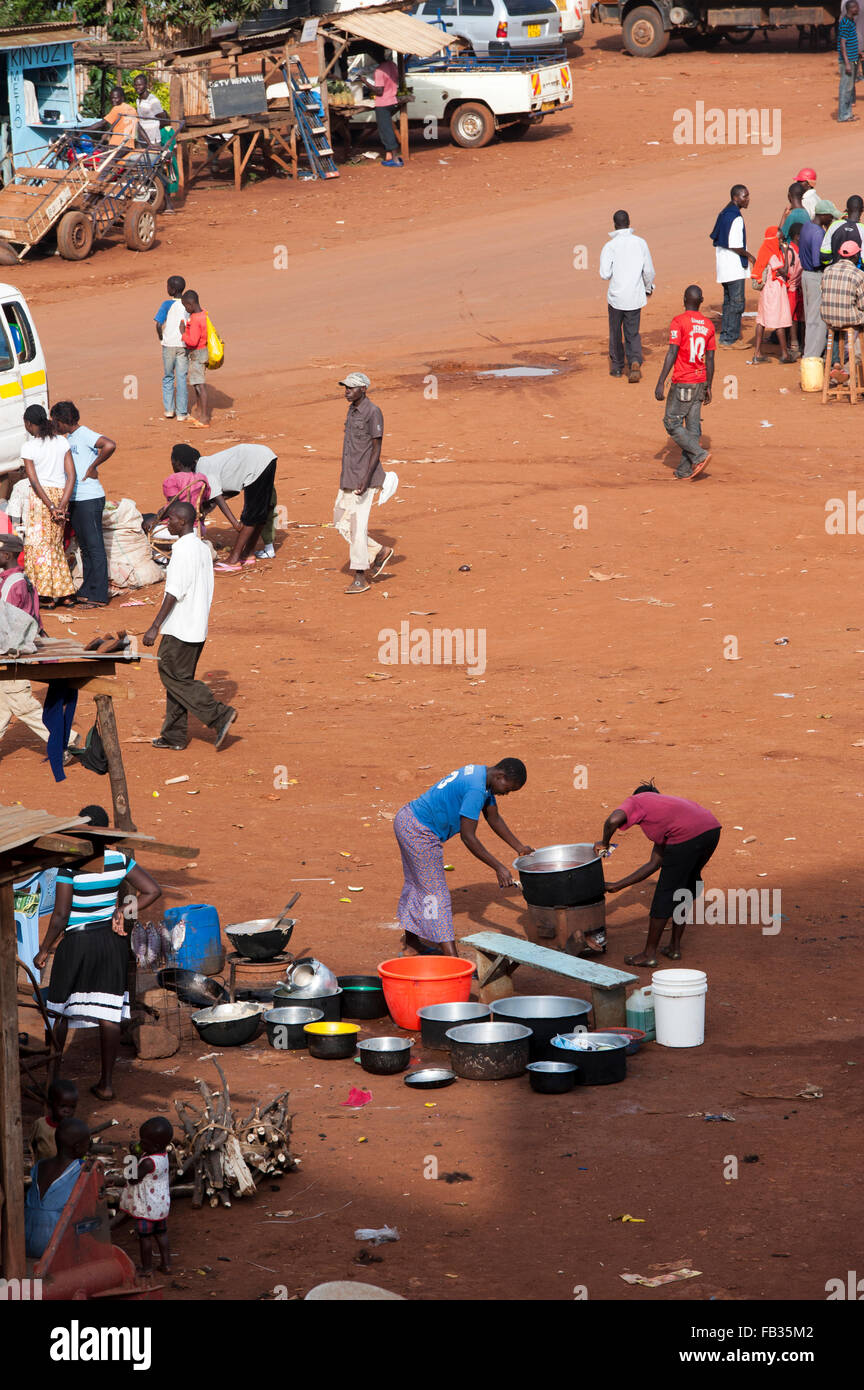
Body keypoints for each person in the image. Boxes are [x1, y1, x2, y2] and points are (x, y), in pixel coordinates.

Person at [36, 804, 162, 1100]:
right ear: (106, 832)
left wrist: (44, 949)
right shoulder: (119, 860)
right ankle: (106, 1084)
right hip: (110, 942)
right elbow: (152, 891)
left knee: (60, 1010)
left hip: (77, 943)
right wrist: (121, 909)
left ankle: (52, 1080)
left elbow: (60, 915)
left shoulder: (71, 865)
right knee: (109, 1012)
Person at [394, 760, 533, 957]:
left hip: (408, 820)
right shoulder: (476, 789)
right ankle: (454, 962)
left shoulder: (482, 776)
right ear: (500, 777)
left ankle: (412, 944)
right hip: (419, 833)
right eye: (508, 789)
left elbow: (493, 817)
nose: (505, 794)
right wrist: (499, 867)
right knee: (436, 894)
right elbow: (468, 837)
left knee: (419, 886)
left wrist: (519, 847)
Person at [593, 780, 722, 968]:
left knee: (665, 893)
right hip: (711, 831)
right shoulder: (668, 812)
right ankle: (674, 948)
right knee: (685, 887)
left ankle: (649, 954)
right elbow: (654, 863)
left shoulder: (637, 799)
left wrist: (604, 843)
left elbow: (613, 820)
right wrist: (617, 886)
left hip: (687, 836)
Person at [142, 501, 237, 750]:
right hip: (196, 625)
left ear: (182, 522)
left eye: (170, 519)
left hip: (180, 627)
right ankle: (173, 735)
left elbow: (173, 592)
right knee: (179, 680)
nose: (167, 523)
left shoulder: (183, 550)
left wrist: (155, 626)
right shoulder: (201, 547)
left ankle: (219, 714)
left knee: (172, 676)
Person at [334, 372, 394, 595]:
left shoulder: (373, 412)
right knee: (340, 521)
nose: (346, 391)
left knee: (357, 527)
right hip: (349, 477)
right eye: (346, 387)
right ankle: (379, 551)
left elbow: (376, 449)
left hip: (364, 479)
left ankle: (360, 576)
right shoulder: (351, 411)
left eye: (351, 387)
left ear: (363, 389)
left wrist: (366, 479)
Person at [51, 400, 113, 609]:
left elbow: (109, 444)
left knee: (95, 547)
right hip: (77, 498)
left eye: (55, 421)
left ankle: (99, 595)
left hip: (90, 497)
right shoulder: (70, 438)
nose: (54, 425)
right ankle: (87, 590)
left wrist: (93, 466)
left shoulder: (84, 433)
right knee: (85, 547)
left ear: (62, 420)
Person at [176, 442, 277, 569]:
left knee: (251, 515)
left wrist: (235, 523)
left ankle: (233, 560)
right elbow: (225, 492)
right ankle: (248, 553)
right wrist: (206, 509)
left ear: (180, 465)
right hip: (266, 457)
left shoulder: (202, 470)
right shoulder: (207, 463)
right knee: (260, 511)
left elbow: (218, 497)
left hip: (256, 463)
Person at [654, 284, 714, 480]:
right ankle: (685, 469)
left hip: (683, 380)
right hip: (700, 380)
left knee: (671, 422)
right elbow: (711, 359)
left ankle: (699, 454)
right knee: (693, 428)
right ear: (701, 302)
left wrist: (661, 381)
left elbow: (672, 352)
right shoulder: (708, 325)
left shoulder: (679, 322)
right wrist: (709, 386)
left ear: (684, 300)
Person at [21, 403, 75, 607]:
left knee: (38, 546)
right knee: (55, 545)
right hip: (61, 495)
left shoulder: (29, 447)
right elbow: (71, 476)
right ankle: (65, 594)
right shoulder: (61, 442)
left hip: (41, 498)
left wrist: (51, 506)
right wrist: (62, 504)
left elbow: (34, 481)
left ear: (28, 423)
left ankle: (45, 596)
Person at [598, 209, 655, 382]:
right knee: (632, 332)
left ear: (614, 224)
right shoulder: (640, 243)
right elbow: (649, 271)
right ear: (629, 222)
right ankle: (635, 361)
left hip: (616, 297)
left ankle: (616, 367)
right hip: (635, 296)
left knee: (615, 332)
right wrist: (648, 287)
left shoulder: (610, 246)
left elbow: (604, 273)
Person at [25, 1117, 90, 1259]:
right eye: (87, 1144)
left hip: (26, 1239)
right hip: (53, 1245)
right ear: (78, 1147)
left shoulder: (40, 1166)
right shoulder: (80, 1168)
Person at [117, 1117, 173, 1274]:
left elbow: (133, 1177)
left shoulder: (148, 1162)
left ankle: (147, 1268)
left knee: (145, 1238)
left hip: (146, 1208)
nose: (140, 1144)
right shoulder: (163, 1156)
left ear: (154, 1145)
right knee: (161, 1234)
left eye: (144, 1142)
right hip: (160, 1206)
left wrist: (132, 1157)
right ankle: (166, 1264)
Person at [710, 184, 755, 347]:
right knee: (737, 303)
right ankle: (731, 339)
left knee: (728, 302)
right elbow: (735, 244)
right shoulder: (735, 217)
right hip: (734, 267)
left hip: (724, 265)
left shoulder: (725, 212)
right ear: (736, 198)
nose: (748, 199)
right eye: (745, 196)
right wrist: (750, 256)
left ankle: (726, 337)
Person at [799, 199, 841, 358]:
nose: (831, 219)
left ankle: (809, 354)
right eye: (830, 216)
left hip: (806, 276)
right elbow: (819, 262)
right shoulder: (818, 233)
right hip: (815, 277)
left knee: (810, 318)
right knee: (817, 321)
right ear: (823, 215)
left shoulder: (807, 226)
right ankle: (812, 357)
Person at [748, 227, 794, 365]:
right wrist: (785, 253)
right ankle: (785, 354)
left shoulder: (765, 249)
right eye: (779, 239)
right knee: (779, 320)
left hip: (767, 290)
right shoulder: (772, 254)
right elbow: (784, 271)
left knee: (761, 320)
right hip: (774, 291)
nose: (781, 242)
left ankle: (757, 354)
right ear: (774, 239)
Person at [820, 240, 864, 384]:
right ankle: (849, 371)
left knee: (835, 331)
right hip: (848, 318)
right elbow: (862, 304)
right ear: (856, 256)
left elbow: (822, 293)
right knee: (859, 332)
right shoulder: (858, 274)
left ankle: (836, 364)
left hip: (828, 317)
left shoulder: (827, 270)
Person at [154, 276, 188, 422]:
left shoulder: (167, 304)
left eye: (167, 286)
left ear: (172, 289)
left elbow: (158, 324)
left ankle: (169, 410)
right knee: (181, 378)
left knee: (168, 376)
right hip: (183, 345)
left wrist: (161, 338)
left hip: (168, 345)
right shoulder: (188, 303)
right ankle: (182, 413)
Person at [362, 47, 402, 168]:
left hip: (383, 103)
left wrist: (366, 82)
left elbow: (379, 91)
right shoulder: (392, 65)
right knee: (387, 128)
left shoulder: (379, 71)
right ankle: (390, 156)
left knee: (386, 130)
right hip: (392, 100)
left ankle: (395, 159)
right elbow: (397, 79)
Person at [180, 289, 210, 427]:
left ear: (190, 305)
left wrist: (183, 332)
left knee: (200, 386)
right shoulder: (202, 313)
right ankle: (198, 413)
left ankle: (204, 418)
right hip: (202, 352)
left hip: (197, 353)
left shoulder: (196, 319)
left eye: (185, 306)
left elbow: (192, 341)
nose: (186, 309)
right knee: (197, 384)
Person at [30, 1078, 78, 1163]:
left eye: (72, 1107)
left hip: (66, 1173)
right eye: (63, 1106)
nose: (67, 1111)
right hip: (43, 1171)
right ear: (50, 1105)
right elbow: (32, 1145)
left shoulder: (75, 1129)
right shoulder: (40, 1125)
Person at [821, 195, 864, 264]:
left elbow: (824, 256)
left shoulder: (834, 225)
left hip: (834, 271)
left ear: (847, 209)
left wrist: (833, 265)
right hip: (855, 273)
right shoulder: (862, 229)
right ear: (862, 210)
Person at [838, 1, 862, 122]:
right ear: (851, 9)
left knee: (850, 87)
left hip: (854, 59)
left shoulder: (851, 21)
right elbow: (842, 44)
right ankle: (843, 115)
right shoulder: (845, 23)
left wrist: (858, 53)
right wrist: (847, 63)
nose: (859, 9)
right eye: (856, 7)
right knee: (845, 88)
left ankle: (848, 113)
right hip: (848, 61)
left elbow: (850, 41)